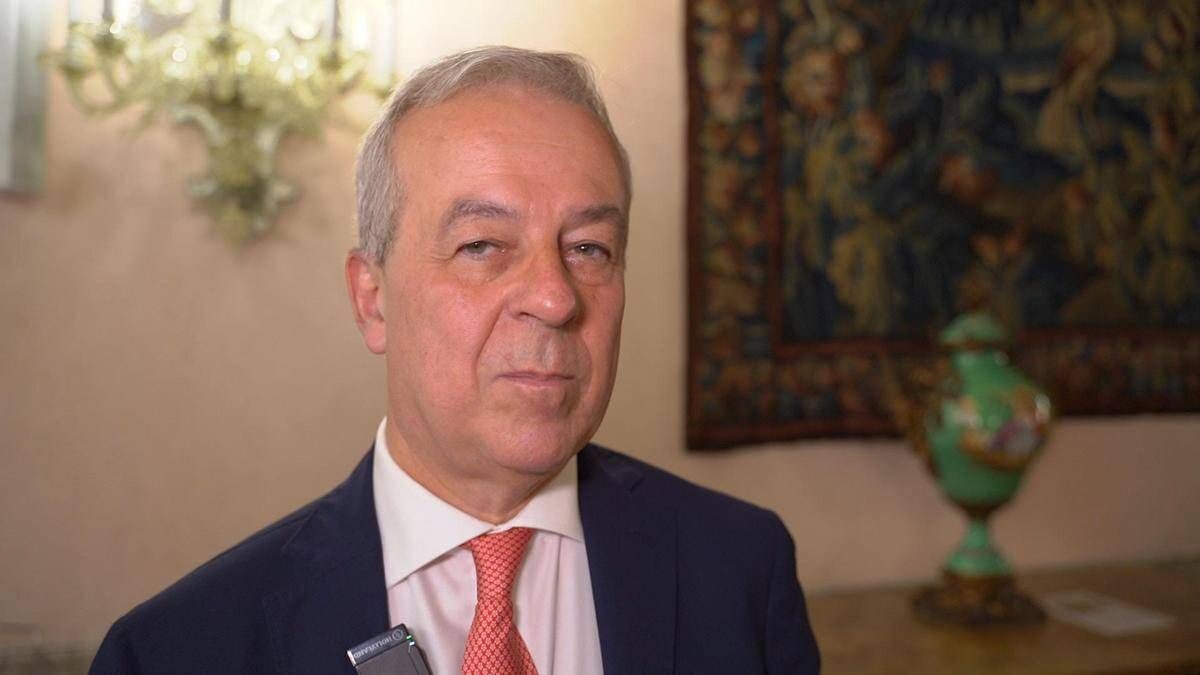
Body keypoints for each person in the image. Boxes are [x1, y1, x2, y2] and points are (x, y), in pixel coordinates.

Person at [89, 46, 820, 675]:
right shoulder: (175, 651)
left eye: (589, 248)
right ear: (373, 300)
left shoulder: (741, 569)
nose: (555, 297)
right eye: (482, 245)